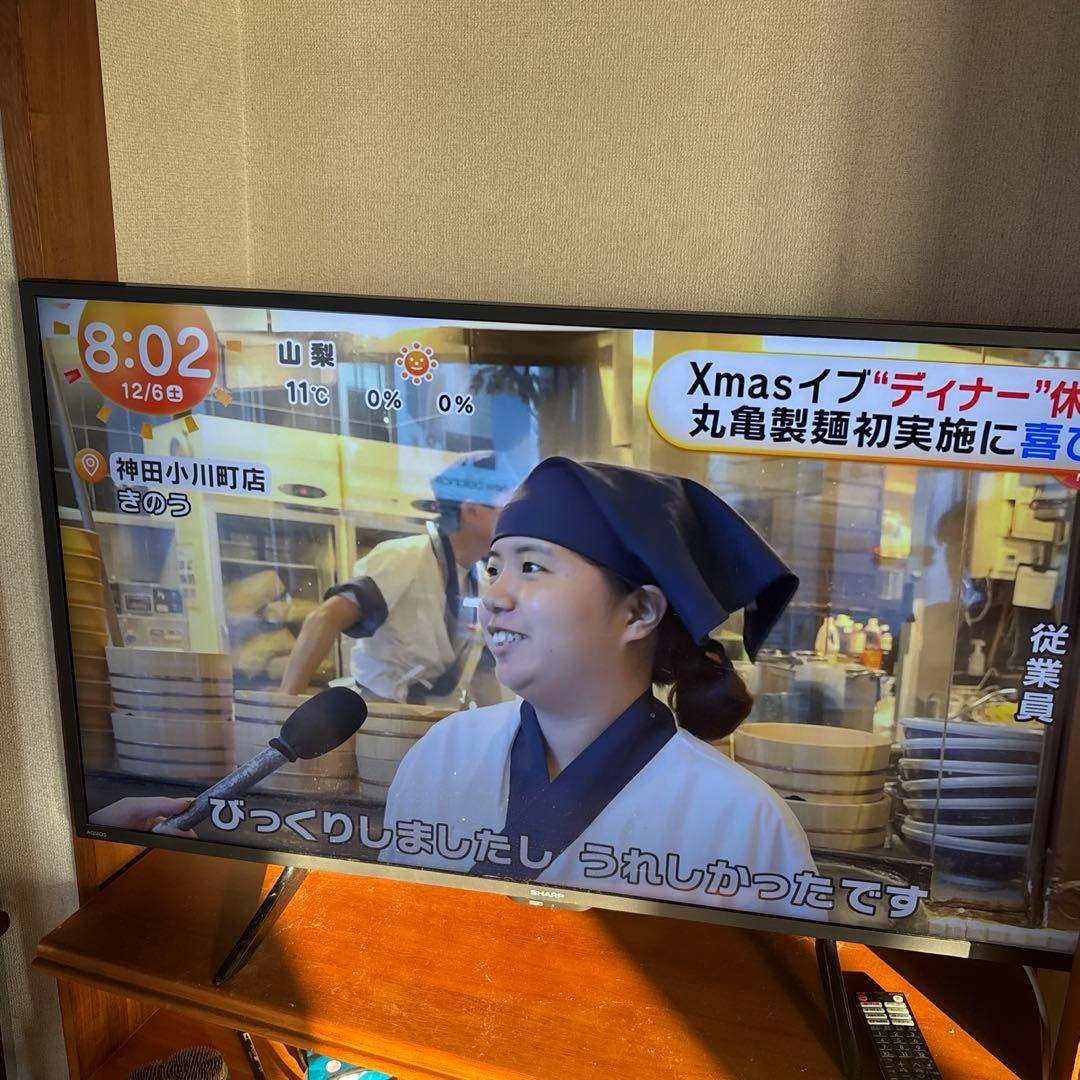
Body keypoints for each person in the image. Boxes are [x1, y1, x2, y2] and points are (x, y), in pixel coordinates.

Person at [380, 457, 823, 920]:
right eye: (493, 570)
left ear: (639, 612)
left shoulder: (742, 820)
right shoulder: (445, 750)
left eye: (531, 566)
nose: (493, 596)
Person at [279, 452, 517, 704]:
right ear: (471, 510)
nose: (515, 519)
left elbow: (481, 671)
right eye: (508, 508)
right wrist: (286, 709)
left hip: (435, 719)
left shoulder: (481, 583)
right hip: (379, 713)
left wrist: (501, 727)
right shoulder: (405, 557)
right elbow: (324, 618)